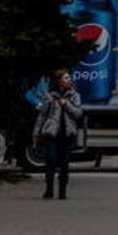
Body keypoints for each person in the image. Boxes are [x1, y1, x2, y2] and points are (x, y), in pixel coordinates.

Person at [34, 69, 83, 199]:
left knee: (64, 163)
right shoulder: (50, 96)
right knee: (50, 160)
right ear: (59, 81)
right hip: (51, 133)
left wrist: (66, 104)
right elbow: (42, 115)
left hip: (66, 134)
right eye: (66, 78)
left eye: (69, 78)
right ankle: (49, 188)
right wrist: (36, 133)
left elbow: (78, 113)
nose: (69, 80)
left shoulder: (74, 95)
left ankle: (62, 190)